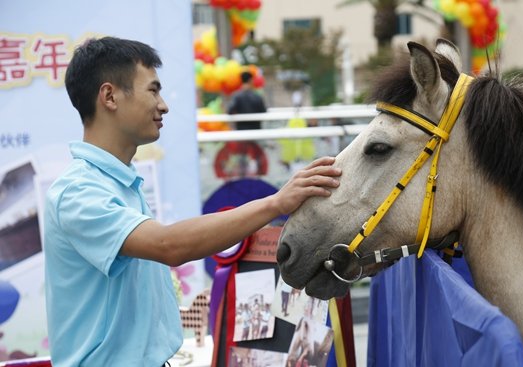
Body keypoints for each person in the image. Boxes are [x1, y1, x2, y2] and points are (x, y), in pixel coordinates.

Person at [43, 36, 341, 367]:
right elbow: (169, 245)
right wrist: (275, 203)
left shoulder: (120, 183)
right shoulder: (78, 191)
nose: (163, 105)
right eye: (153, 90)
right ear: (110, 96)